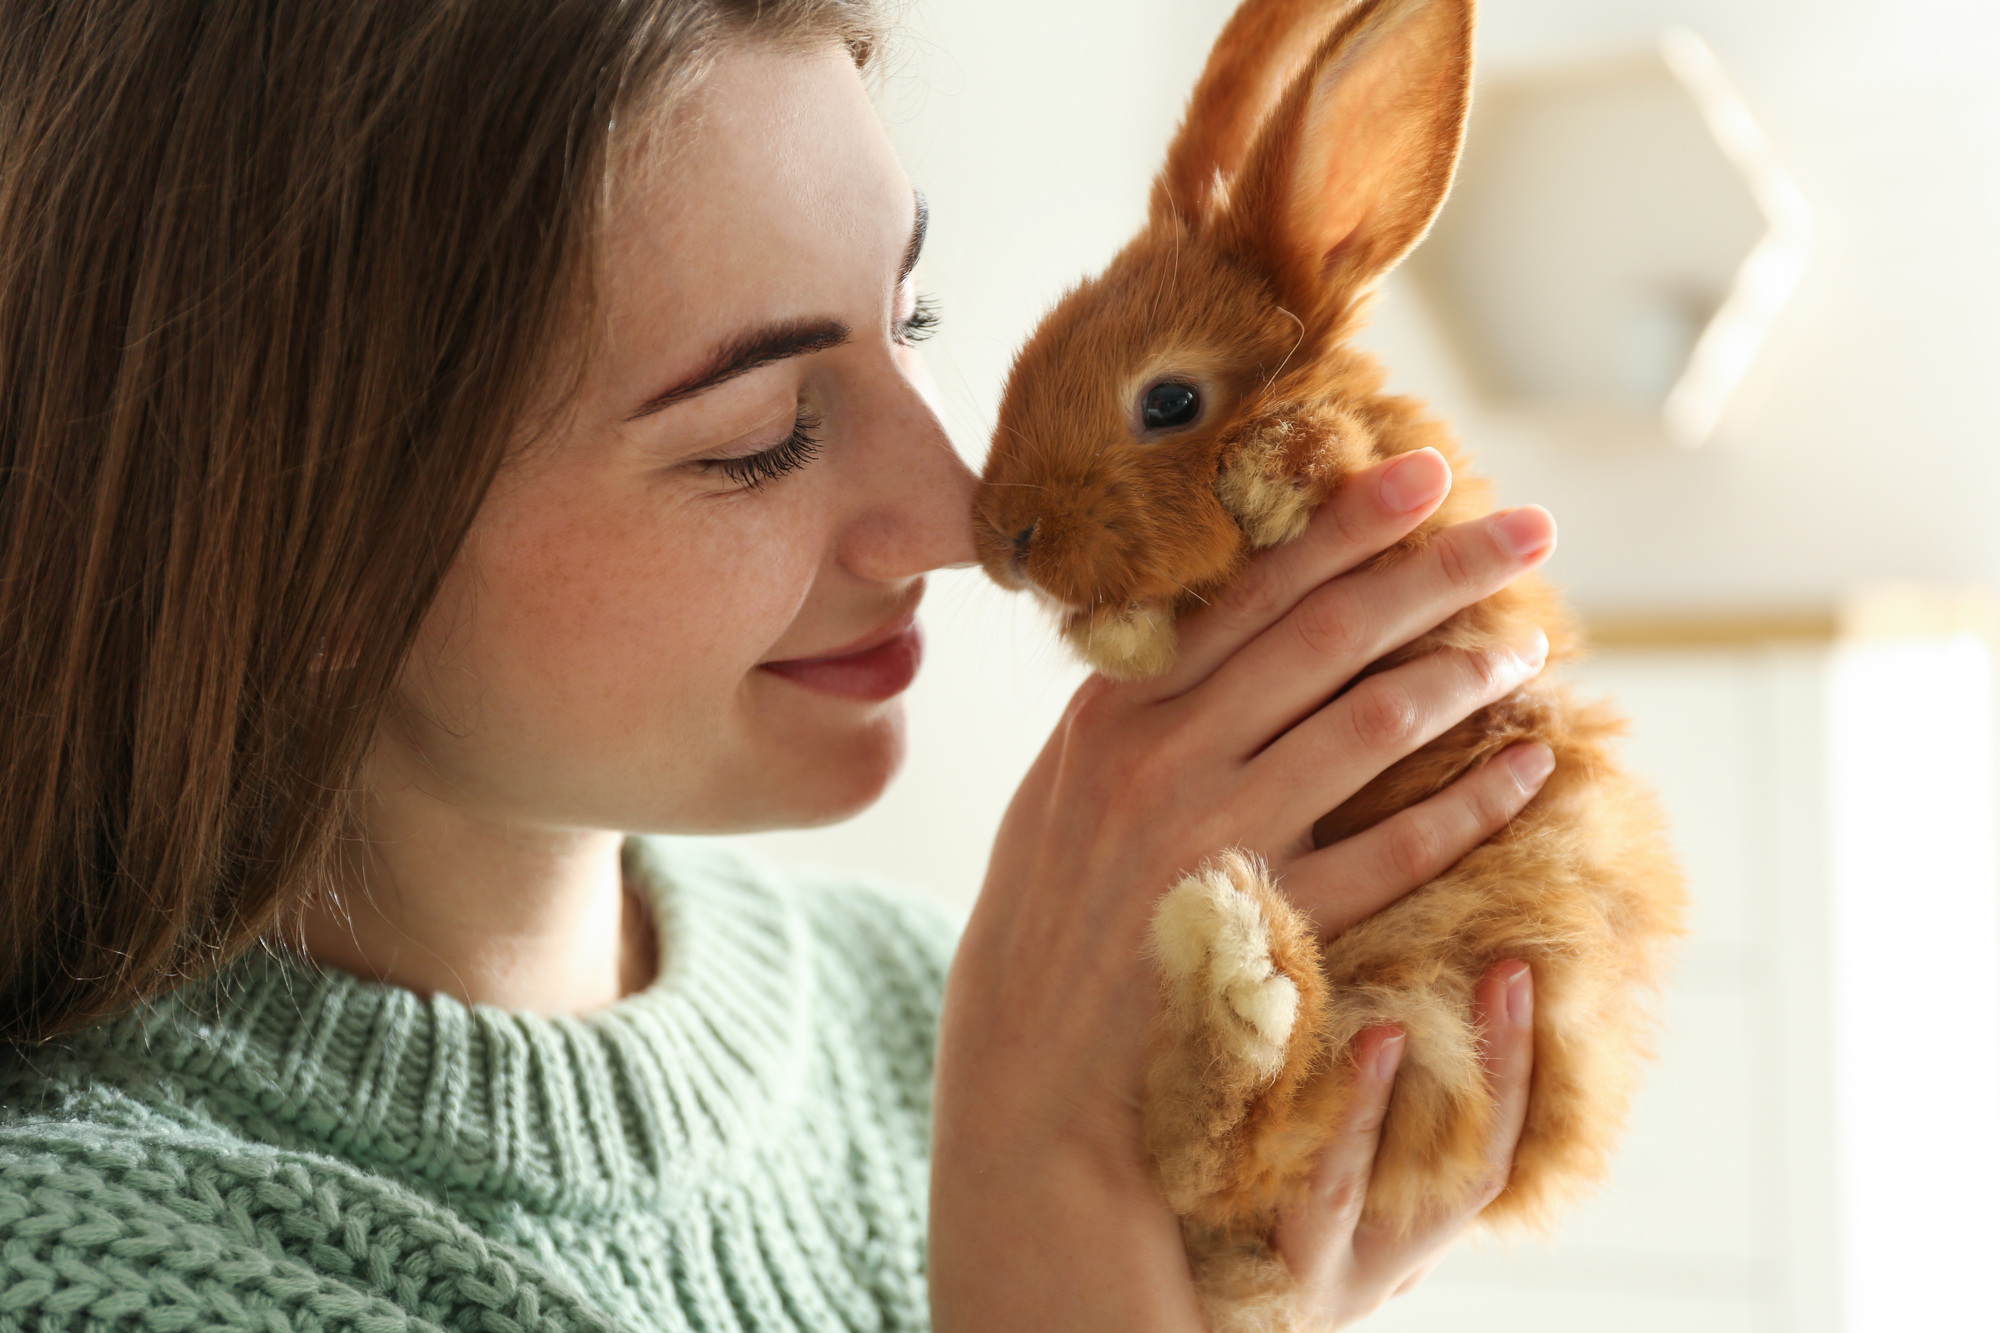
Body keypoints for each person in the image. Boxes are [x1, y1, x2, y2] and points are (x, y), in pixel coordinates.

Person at [0, 2, 1557, 1329]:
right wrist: (1050, 1235)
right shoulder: (89, 1264)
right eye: (760, 435)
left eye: (911, 314)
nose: (957, 515)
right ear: (304, 539)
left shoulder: (931, 1008)